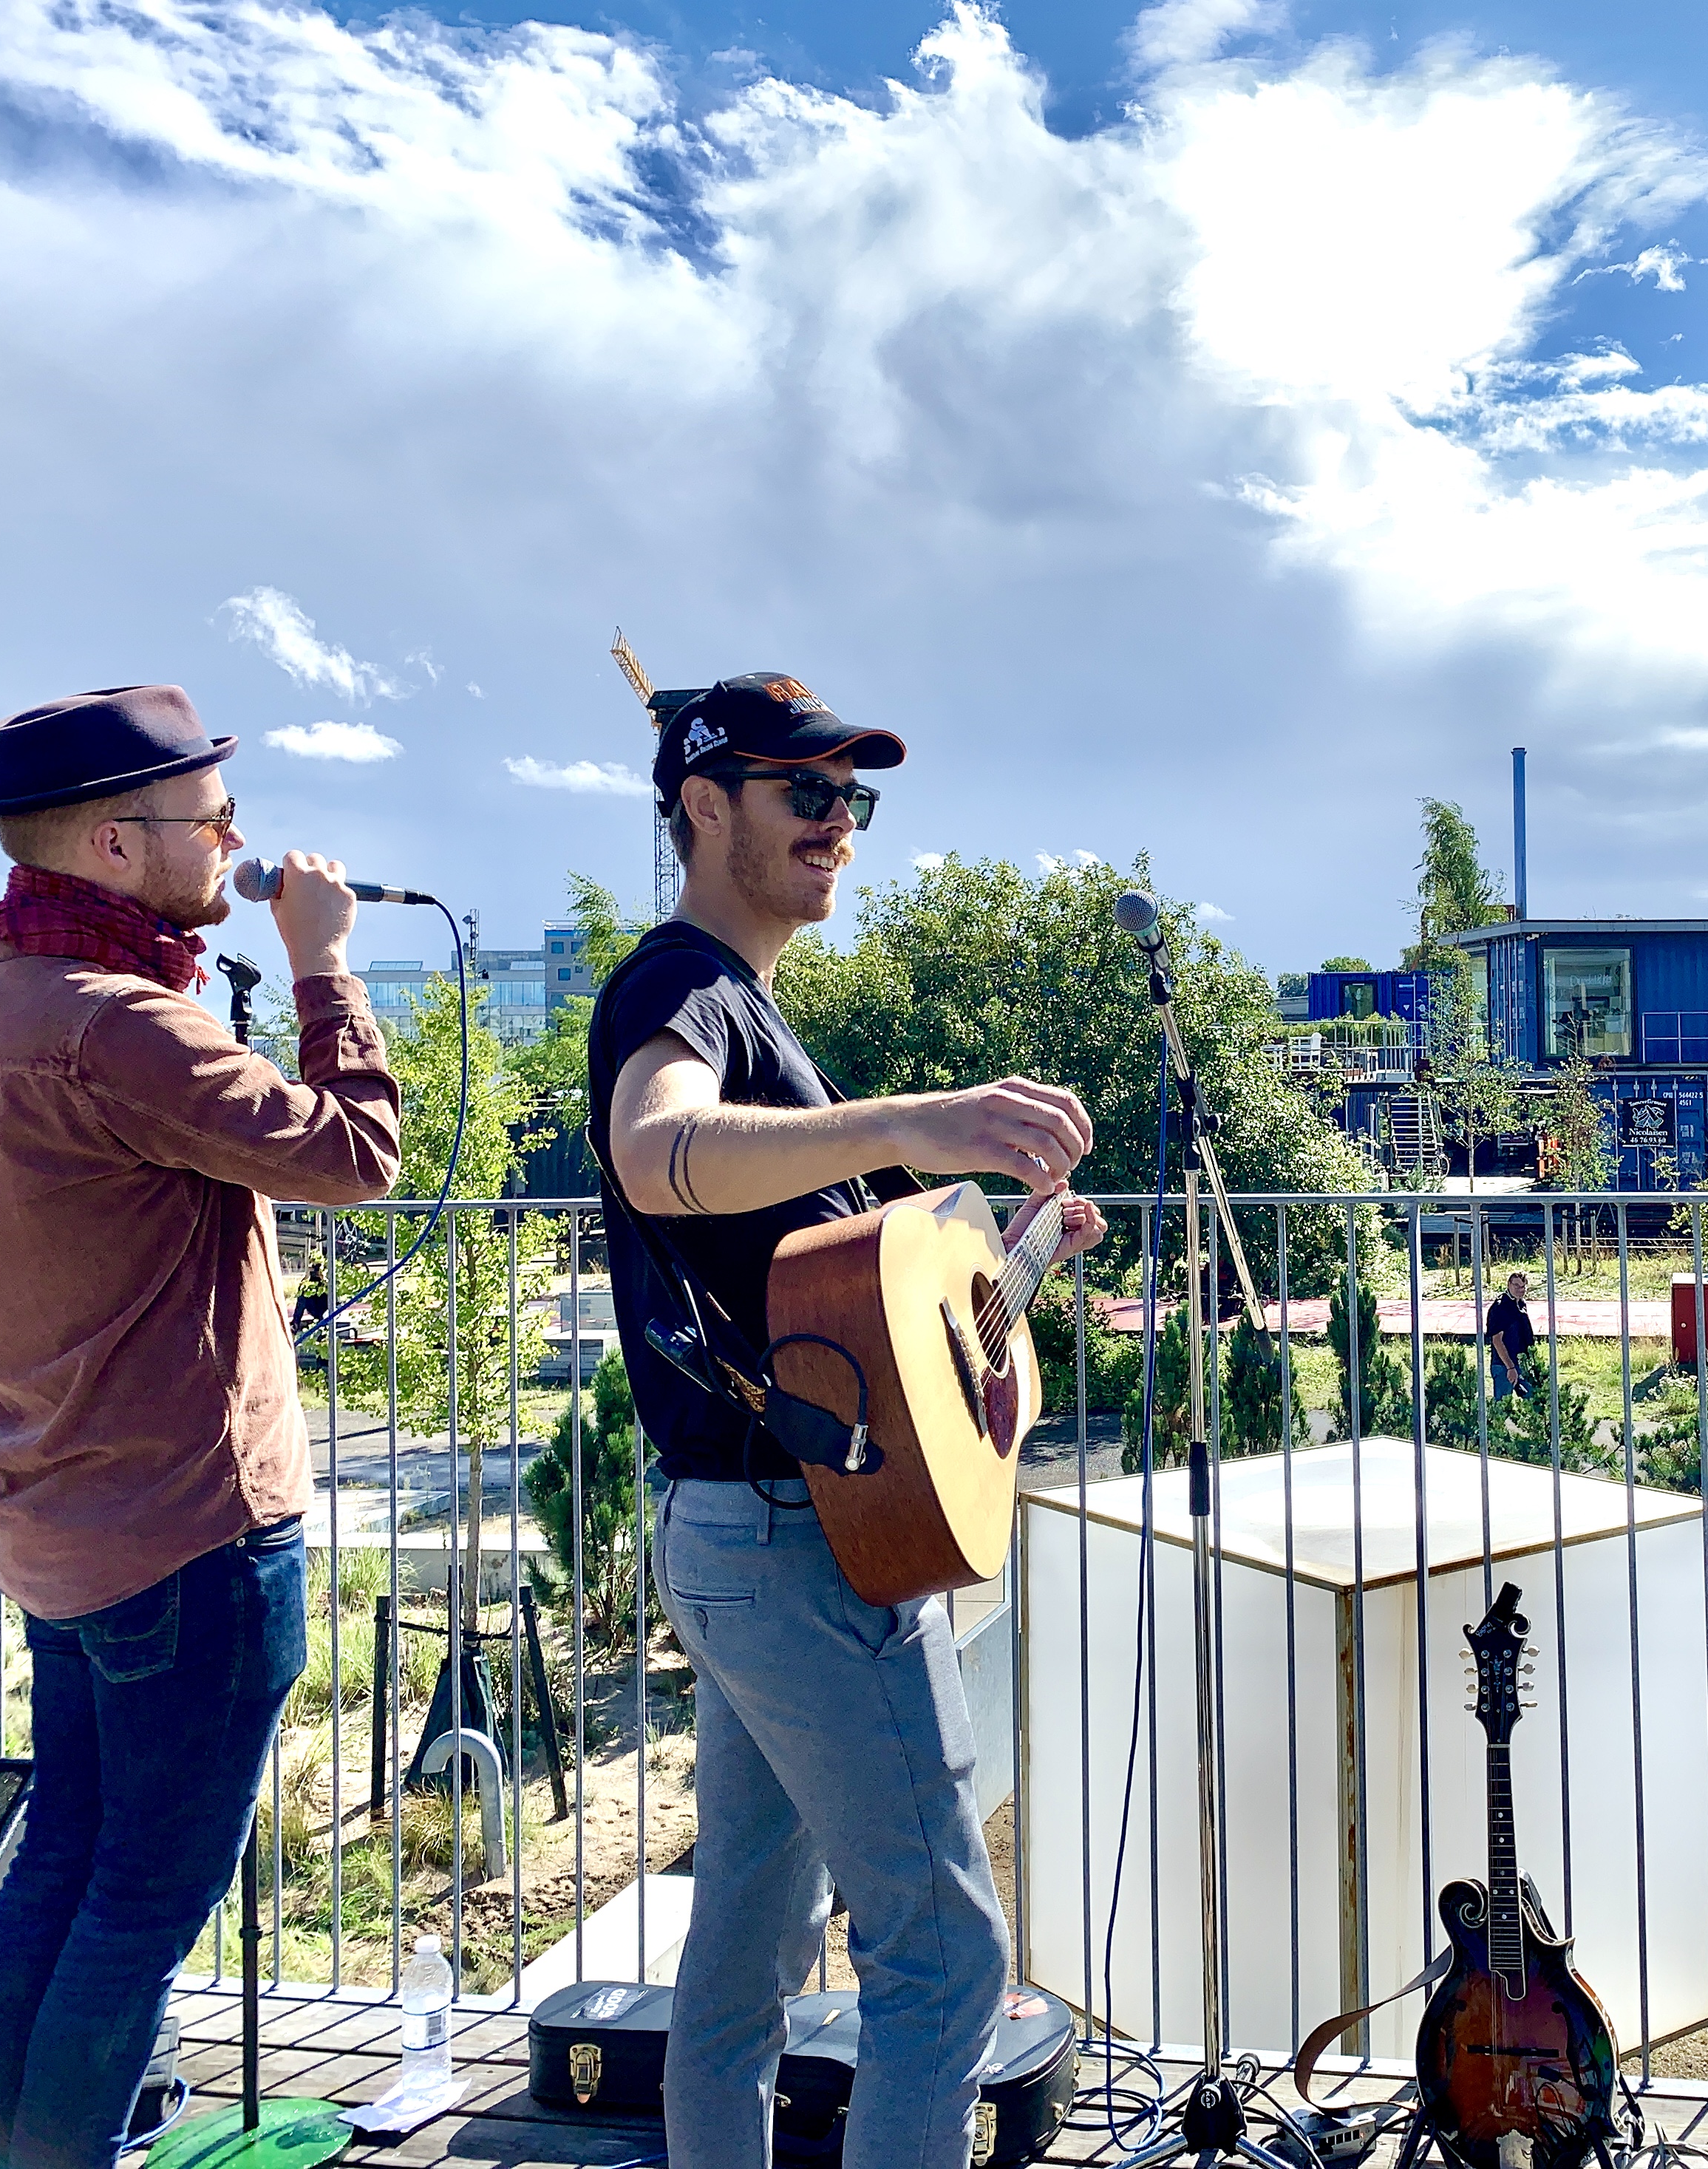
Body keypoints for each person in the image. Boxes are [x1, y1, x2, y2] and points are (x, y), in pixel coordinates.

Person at [591, 671, 1109, 2169]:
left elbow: (860, 1332)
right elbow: (653, 1152)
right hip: (793, 1546)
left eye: (850, 799)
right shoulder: (678, 992)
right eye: (803, 793)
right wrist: (904, 1123)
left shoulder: (746, 1010)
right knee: (945, 1963)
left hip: (757, 1534)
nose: (839, 824)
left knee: (745, 1959)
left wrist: (1014, 1276)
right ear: (701, 804)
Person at [0, 687, 401, 2169]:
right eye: (210, 819)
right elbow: (356, 1154)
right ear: (118, 845)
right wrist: (325, 969)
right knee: (137, 1910)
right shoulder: (125, 1028)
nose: (234, 840)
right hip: (195, 1536)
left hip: (55, 1532)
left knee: (60, 1871)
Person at [1485, 1270, 1536, 1400]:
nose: (1520, 1290)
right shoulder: (1500, 1307)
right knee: (1501, 1408)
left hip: (1522, 1364)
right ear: (1509, 1284)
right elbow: (1497, 1341)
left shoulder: (1520, 1303)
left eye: (1523, 1286)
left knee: (1535, 1399)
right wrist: (1510, 1367)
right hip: (1504, 1366)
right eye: (1516, 1286)